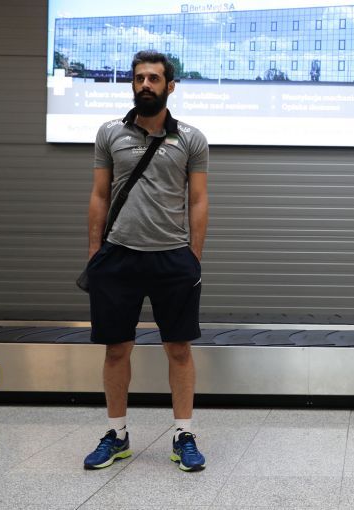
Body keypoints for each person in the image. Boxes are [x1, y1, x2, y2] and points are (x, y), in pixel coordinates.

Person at [83, 50, 209, 473]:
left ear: (170, 86)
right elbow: (100, 194)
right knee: (116, 349)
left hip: (173, 258)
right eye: (139, 78)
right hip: (118, 257)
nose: (145, 85)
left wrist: (193, 256)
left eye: (154, 78)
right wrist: (95, 253)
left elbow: (198, 200)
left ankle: (183, 434)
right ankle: (116, 434)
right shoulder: (109, 133)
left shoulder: (191, 138)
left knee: (179, 349)